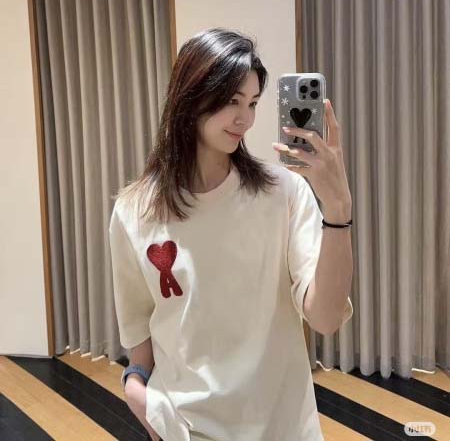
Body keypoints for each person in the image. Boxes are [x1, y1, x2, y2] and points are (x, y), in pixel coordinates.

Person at [109, 28, 353, 441]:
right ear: (189, 97)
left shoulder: (282, 193)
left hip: (279, 425)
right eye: (231, 101)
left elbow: (326, 318)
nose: (245, 118)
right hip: (183, 427)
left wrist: (339, 209)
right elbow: (139, 322)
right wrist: (136, 387)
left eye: (253, 102)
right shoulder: (134, 210)